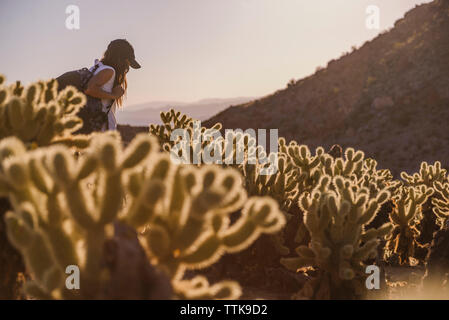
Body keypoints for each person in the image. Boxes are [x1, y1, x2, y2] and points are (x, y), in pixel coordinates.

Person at [84, 39, 141, 131]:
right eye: (127, 62)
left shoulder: (97, 68)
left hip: (93, 128)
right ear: (121, 59)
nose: (127, 68)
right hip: (101, 131)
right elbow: (90, 88)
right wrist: (114, 95)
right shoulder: (109, 71)